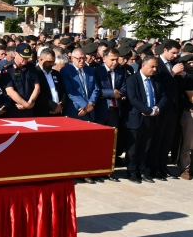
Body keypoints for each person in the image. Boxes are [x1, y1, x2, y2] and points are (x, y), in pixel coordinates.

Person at [125, 57, 167, 184]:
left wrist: (157, 108)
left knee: (146, 146)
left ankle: (142, 170)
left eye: (156, 67)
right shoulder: (132, 79)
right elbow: (133, 99)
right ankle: (132, 172)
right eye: (152, 67)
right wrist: (148, 110)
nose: (154, 70)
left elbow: (164, 96)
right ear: (143, 65)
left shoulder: (156, 79)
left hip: (152, 118)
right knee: (133, 147)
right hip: (137, 118)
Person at [152, 40, 184, 180]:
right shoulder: (156, 64)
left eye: (177, 53)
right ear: (165, 50)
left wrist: (181, 76)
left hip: (173, 108)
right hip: (161, 108)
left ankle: (163, 167)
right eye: (173, 53)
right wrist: (172, 73)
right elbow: (157, 85)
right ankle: (154, 168)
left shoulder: (174, 64)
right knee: (157, 140)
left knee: (167, 140)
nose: (175, 56)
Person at [94, 48, 127, 182]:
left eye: (116, 59)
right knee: (98, 142)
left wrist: (119, 92)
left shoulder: (120, 71)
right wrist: (110, 93)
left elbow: (124, 86)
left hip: (115, 111)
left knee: (111, 143)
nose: (115, 62)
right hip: (101, 111)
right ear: (104, 59)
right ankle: (95, 170)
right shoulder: (97, 71)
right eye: (112, 59)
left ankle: (108, 170)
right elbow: (96, 89)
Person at [61, 48, 100, 123]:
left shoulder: (90, 70)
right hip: (75, 111)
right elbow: (70, 91)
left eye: (84, 58)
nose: (82, 61)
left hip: (90, 111)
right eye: (79, 59)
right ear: (72, 58)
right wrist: (85, 105)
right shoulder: (66, 70)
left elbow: (96, 89)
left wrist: (91, 103)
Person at [2, 43, 40, 118]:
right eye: (23, 57)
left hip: (30, 109)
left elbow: (37, 87)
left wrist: (30, 102)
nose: (26, 60)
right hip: (14, 109)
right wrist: (26, 105)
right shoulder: (8, 69)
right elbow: (10, 91)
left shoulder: (31, 68)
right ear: (16, 54)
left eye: (27, 57)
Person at [34, 49, 66, 117]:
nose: (51, 64)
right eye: (49, 62)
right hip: (43, 113)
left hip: (58, 112)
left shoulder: (56, 73)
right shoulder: (35, 73)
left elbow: (62, 90)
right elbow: (38, 94)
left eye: (53, 62)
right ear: (40, 59)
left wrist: (61, 104)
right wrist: (53, 106)